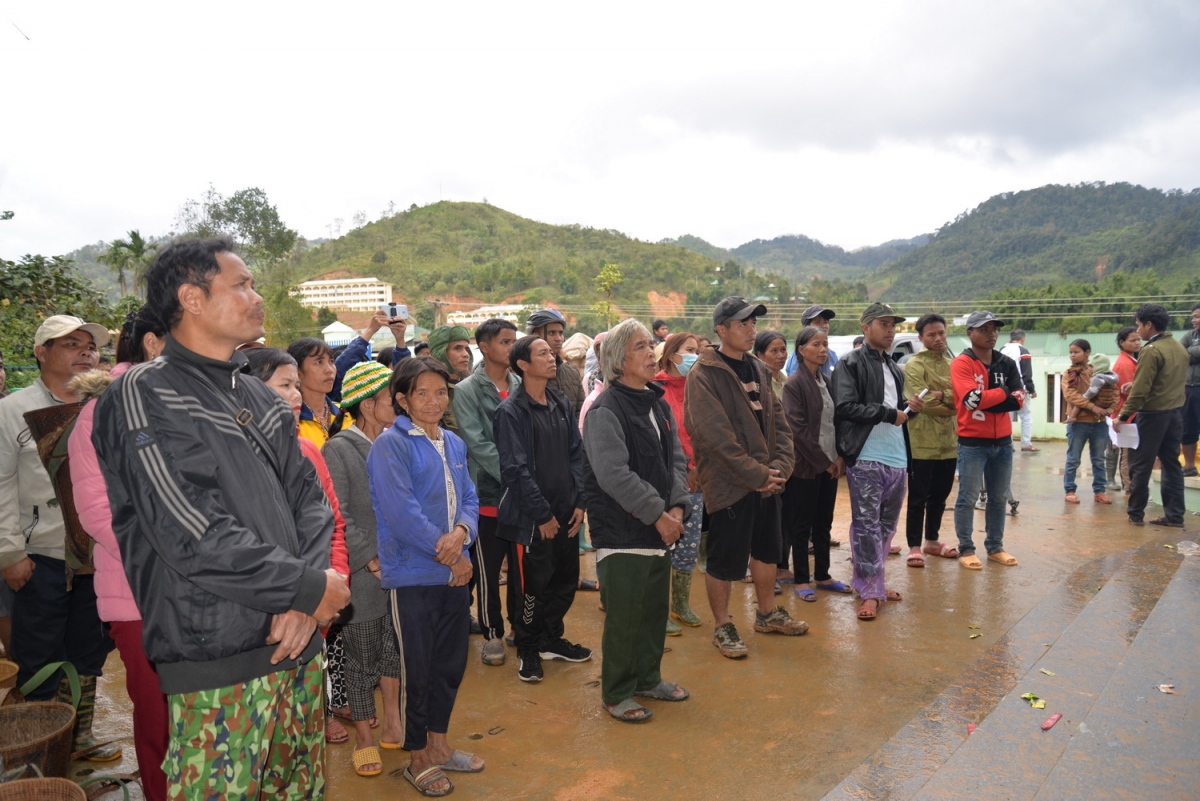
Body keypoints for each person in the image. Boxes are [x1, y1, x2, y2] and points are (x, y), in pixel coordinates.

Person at [92, 237, 351, 798]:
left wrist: (306, 600)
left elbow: (309, 503)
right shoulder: (144, 392)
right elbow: (189, 530)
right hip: (219, 657)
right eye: (242, 285)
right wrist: (306, 586)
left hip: (294, 646)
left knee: (297, 791)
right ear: (191, 297)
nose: (256, 297)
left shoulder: (259, 398)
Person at [0, 314, 120, 759]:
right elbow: (0, 483)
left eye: (90, 346)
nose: (86, 352)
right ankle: (42, 748)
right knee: (40, 652)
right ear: (41, 353)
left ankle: (79, 736)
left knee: (89, 650)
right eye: (71, 344)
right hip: (41, 555)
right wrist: (10, 551)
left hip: (96, 554)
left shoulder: (105, 406)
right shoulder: (13, 410)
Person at [368, 356, 484, 796]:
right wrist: (453, 557)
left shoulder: (453, 443)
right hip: (414, 574)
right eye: (423, 393)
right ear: (402, 399)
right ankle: (417, 757)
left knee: (449, 666)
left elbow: (469, 498)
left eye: (441, 392)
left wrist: (462, 533)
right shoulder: (389, 445)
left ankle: (439, 745)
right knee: (417, 669)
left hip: (453, 572)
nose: (434, 401)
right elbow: (403, 516)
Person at [69, 310, 168, 796]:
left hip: (201, 587)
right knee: (158, 720)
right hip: (139, 592)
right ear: (154, 344)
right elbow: (95, 510)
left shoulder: (181, 401)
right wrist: (177, 551)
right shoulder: (102, 410)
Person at [242, 347, 354, 748]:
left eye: (295, 385)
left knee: (298, 745)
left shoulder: (307, 451)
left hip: (312, 611)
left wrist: (331, 585)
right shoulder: (231, 457)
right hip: (259, 623)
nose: (295, 396)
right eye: (284, 385)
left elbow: (333, 526)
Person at [582, 319, 691, 722]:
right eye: (641, 347)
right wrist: (657, 513)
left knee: (651, 614)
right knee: (625, 618)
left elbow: (675, 459)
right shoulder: (605, 410)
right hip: (624, 531)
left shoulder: (656, 403)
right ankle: (617, 692)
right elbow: (614, 474)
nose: (652, 353)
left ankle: (648, 677)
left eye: (651, 346)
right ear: (617, 359)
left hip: (661, 527)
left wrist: (677, 506)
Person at [685, 296, 803, 659]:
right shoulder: (704, 374)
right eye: (743, 323)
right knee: (725, 559)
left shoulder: (760, 370)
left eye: (753, 322)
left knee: (767, 552)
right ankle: (722, 626)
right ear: (721, 329)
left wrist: (780, 469)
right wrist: (756, 474)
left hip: (767, 484)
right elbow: (714, 436)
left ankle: (767, 614)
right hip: (729, 484)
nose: (751, 329)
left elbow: (781, 426)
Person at [321, 361, 405, 777]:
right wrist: (370, 558)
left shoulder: (392, 442)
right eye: (393, 398)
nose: (400, 405)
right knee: (361, 653)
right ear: (369, 406)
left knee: (395, 646)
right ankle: (364, 735)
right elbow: (338, 515)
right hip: (365, 572)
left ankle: (391, 717)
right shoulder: (338, 449)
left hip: (400, 567)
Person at [495, 335, 589, 682]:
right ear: (522, 364)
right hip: (532, 521)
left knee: (564, 582)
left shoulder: (561, 402)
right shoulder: (511, 411)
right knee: (530, 589)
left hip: (566, 516)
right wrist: (542, 515)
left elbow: (576, 454)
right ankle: (528, 648)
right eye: (543, 353)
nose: (552, 357)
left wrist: (580, 501)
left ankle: (551, 638)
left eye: (552, 353)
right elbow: (515, 470)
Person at [832, 303, 924, 620]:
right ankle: (870, 590)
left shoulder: (895, 368)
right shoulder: (849, 363)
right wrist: (889, 413)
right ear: (865, 327)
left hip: (897, 457)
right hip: (867, 454)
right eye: (883, 324)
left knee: (887, 526)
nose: (890, 330)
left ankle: (874, 581)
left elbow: (895, 412)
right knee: (866, 525)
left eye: (893, 325)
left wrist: (909, 407)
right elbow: (844, 406)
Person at [453, 318, 521, 666]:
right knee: (488, 571)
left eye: (513, 341)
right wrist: (518, 477)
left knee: (523, 571)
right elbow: (477, 443)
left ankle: (519, 628)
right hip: (488, 495)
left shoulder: (523, 384)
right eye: (505, 342)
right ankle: (493, 634)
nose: (511, 348)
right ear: (485, 346)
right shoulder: (466, 391)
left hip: (523, 496)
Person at [950, 311, 1026, 570]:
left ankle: (995, 547)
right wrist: (1003, 393)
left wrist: (992, 396)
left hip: (1003, 443)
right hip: (972, 443)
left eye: (994, 329)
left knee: (998, 498)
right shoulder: (962, 363)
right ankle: (966, 549)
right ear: (970, 333)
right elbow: (971, 401)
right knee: (967, 498)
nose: (991, 333)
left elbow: (1018, 399)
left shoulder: (1007, 362)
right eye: (984, 329)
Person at [782, 327, 848, 603]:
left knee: (824, 522)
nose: (823, 349)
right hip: (807, 467)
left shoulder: (828, 381)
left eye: (825, 344)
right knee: (802, 524)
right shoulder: (793, 385)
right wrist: (824, 462)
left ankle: (822, 574)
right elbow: (797, 430)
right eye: (816, 344)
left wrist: (840, 456)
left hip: (831, 463)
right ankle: (800, 579)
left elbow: (838, 423)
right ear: (801, 349)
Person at [1116, 303, 1189, 527]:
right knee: (1172, 465)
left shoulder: (1151, 350)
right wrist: (1135, 383)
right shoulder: (1178, 347)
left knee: (1141, 464)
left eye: (1138, 325)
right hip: (1175, 415)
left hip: (1152, 416)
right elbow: (1163, 381)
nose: (1138, 331)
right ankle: (1175, 515)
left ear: (1149, 324)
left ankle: (1136, 514)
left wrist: (1123, 415)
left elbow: (1142, 391)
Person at [653, 332, 706, 633]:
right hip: (666, 479)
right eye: (689, 351)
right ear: (672, 355)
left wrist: (698, 468)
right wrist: (685, 468)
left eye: (697, 351)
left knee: (689, 541)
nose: (695, 356)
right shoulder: (655, 388)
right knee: (662, 542)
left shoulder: (697, 387)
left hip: (697, 477)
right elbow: (664, 438)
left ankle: (680, 604)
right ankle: (658, 610)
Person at [902, 313, 959, 567]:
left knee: (940, 495)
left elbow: (967, 397)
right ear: (921, 337)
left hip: (949, 441)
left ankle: (932, 541)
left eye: (941, 333)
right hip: (922, 441)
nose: (938, 338)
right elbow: (922, 403)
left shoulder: (955, 364)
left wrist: (942, 395)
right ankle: (914, 545)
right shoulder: (914, 365)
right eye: (932, 334)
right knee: (918, 496)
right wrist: (951, 400)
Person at [1060, 340, 1118, 505]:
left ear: (1087, 352)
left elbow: (1113, 390)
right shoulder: (1069, 374)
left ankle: (1099, 491)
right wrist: (1093, 407)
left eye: (1076, 352)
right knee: (1073, 459)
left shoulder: (1098, 371)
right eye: (1070, 352)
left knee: (1099, 459)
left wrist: (1110, 409)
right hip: (1078, 422)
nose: (1072, 355)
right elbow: (1070, 395)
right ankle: (1070, 490)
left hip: (1099, 422)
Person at [330, 308, 410, 401]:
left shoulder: (386, 402)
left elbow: (404, 378)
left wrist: (400, 339)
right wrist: (370, 330)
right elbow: (340, 370)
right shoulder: (332, 404)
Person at [288, 337, 353, 447]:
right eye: (319, 362)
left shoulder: (347, 413)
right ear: (297, 372)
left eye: (331, 361)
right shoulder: (291, 420)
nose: (329, 370)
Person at [526, 308, 585, 426]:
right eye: (551, 333)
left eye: (561, 333)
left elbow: (581, 413)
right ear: (535, 335)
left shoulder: (572, 373)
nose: (559, 338)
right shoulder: (524, 373)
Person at [1107, 326, 1142, 493]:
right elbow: (1130, 394)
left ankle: (1130, 486)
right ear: (1122, 342)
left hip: (1130, 414)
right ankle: (1129, 487)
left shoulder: (1131, 360)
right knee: (1127, 453)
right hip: (1127, 415)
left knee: (1130, 453)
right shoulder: (1124, 364)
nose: (1137, 343)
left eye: (1138, 340)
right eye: (1133, 340)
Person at [426, 324, 473, 434]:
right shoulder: (430, 393)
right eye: (457, 348)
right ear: (440, 353)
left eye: (466, 349)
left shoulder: (472, 389)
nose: (465, 354)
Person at [1000, 329, 1039, 452]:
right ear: (1022, 339)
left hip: (1004, 389)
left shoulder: (1002, 350)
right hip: (1020, 389)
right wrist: (1031, 389)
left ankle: (1008, 444)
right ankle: (1026, 444)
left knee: (1007, 417)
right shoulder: (1022, 350)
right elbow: (1026, 373)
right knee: (1026, 416)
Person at [785, 304, 838, 377]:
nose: (823, 326)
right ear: (806, 328)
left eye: (825, 322)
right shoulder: (797, 357)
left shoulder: (832, 356)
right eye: (817, 322)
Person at [1182, 302, 1200, 477]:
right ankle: (1189, 466)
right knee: (1188, 428)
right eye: (1193, 316)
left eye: (1197, 316)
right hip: (1188, 389)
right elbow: (1181, 355)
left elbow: (1187, 353)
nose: (1194, 320)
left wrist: (1190, 352)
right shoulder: (1189, 335)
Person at [754, 330, 788, 402]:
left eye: (783, 350)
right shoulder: (758, 384)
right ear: (760, 355)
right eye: (774, 351)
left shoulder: (787, 380)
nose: (781, 356)